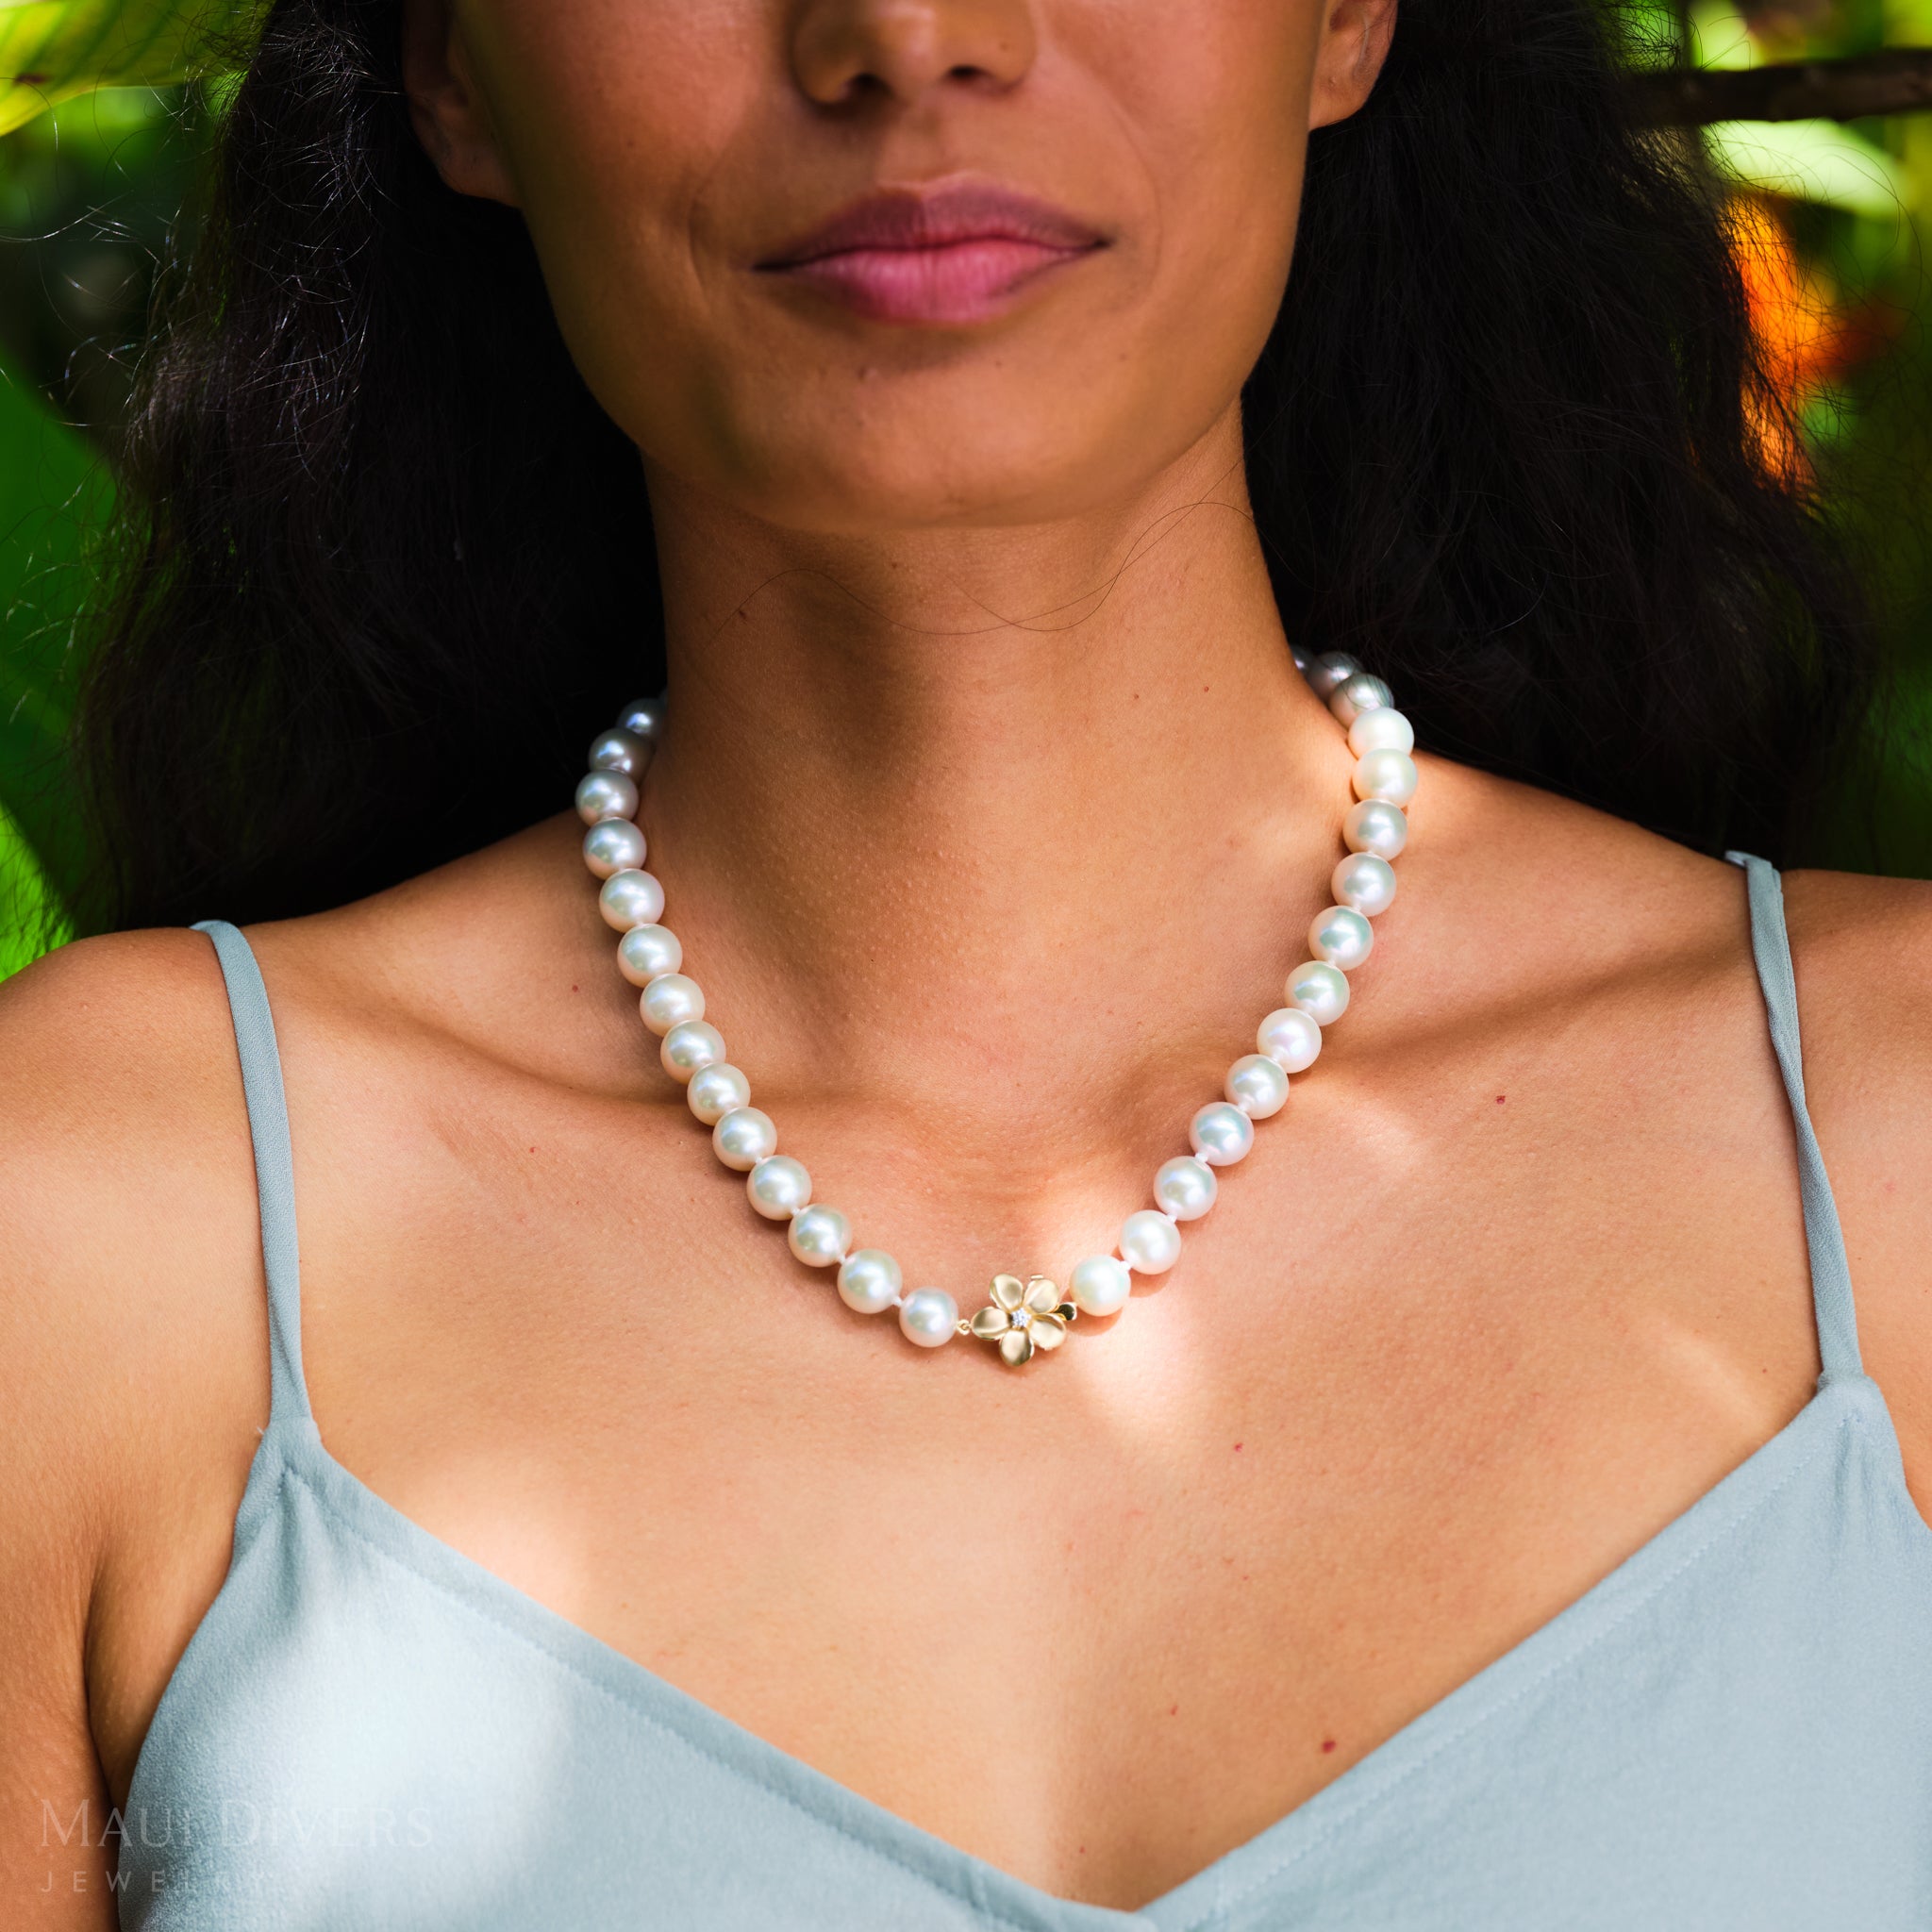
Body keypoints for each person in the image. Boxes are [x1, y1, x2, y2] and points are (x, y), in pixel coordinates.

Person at [3, 0, 1929, 1924]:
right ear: (449, 68)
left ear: (1349, 18)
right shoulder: (96, 1236)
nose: (909, 37)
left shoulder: (1893, 1148)